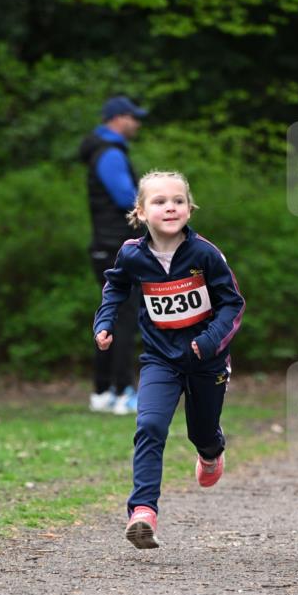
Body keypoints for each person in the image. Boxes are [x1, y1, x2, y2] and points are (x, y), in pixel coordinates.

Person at [93, 170, 244, 549]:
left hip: (206, 360)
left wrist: (209, 342)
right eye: (159, 201)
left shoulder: (205, 254)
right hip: (160, 358)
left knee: (202, 432)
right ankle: (142, 511)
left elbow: (232, 304)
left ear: (189, 209)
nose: (170, 207)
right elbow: (116, 285)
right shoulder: (133, 254)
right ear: (141, 212)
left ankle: (211, 453)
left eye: (177, 200)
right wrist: (105, 320)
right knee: (150, 427)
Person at [80, 95, 147, 416]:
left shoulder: (103, 151)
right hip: (117, 248)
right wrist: (160, 207)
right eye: (133, 117)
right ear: (118, 119)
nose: (136, 123)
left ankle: (102, 390)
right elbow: (127, 198)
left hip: (106, 247)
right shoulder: (110, 154)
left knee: (110, 317)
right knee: (124, 318)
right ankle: (122, 392)